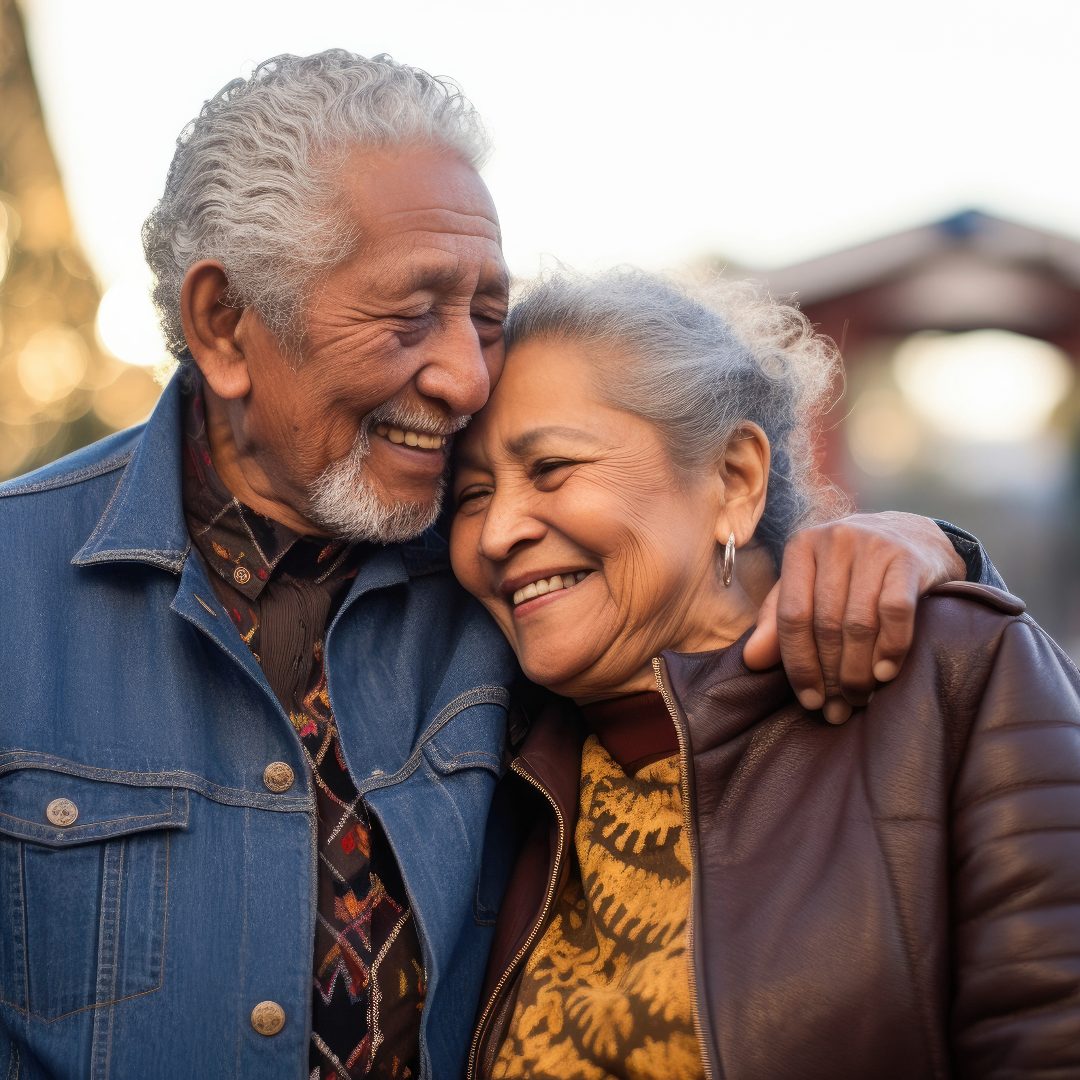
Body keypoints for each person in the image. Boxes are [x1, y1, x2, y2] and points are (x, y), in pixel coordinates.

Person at [0, 52, 1003, 1080]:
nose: (468, 377)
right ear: (224, 324)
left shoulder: (498, 571)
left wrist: (923, 550)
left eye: (486, 315)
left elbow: (699, 599)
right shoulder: (14, 584)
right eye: (409, 318)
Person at [450, 269, 1080, 1080]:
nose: (499, 531)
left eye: (553, 469)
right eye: (471, 494)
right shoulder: (486, 763)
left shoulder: (952, 673)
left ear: (735, 479)